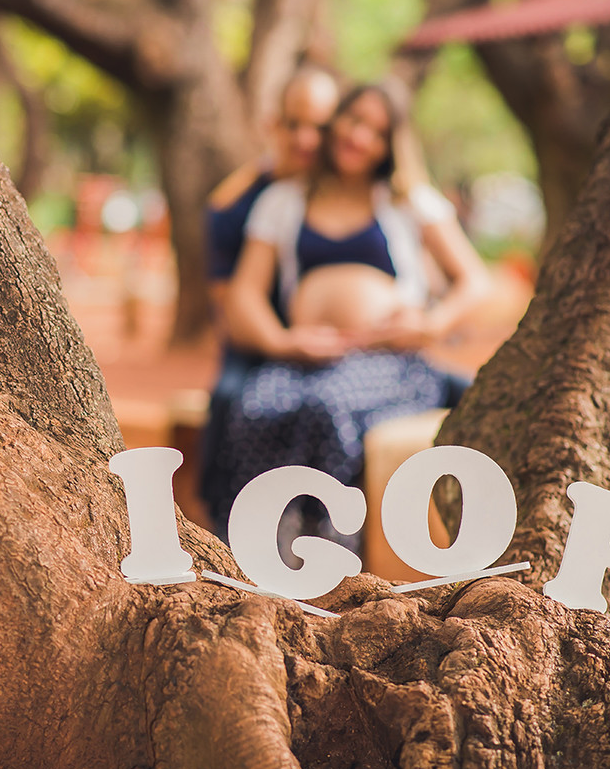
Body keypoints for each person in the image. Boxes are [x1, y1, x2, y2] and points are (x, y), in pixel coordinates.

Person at [208, 82, 491, 554]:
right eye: (354, 120)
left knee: (327, 408)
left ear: (390, 145)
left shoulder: (407, 200)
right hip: (305, 360)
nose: (360, 138)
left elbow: (475, 281)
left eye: (376, 132)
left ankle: (331, 547)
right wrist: (282, 342)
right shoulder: (284, 200)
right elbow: (244, 295)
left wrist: (431, 325)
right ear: (335, 121)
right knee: (254, 406)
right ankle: (259, 542)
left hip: (389, 364)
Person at [197, 66, 341, 536]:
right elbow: (231, 307)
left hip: (335, 345)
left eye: (319, 126)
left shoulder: (348, 188)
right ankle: (225, 523)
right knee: (229, 398)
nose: (306, 138)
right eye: (293, 124)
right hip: (257, 343)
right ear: (271, 124)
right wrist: (282, 340)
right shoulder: (234, 207)